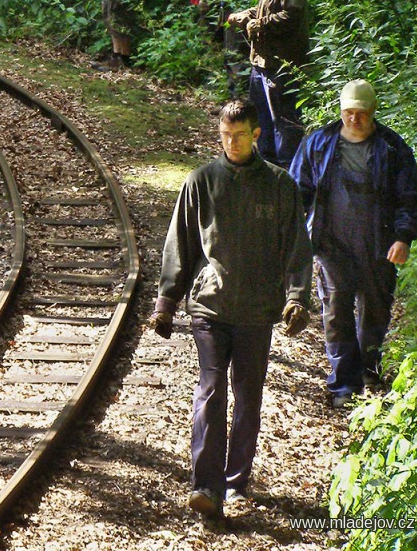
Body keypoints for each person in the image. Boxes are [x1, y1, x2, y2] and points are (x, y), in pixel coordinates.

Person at [150, 99, 312, 521]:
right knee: (210, 391)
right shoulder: (201, 182)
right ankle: (205, 485)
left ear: (256, 135)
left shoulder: (280, 186)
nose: (231, 142)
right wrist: (166, 302)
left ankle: (236, 482)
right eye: (225, 135)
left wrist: (297, 297)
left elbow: (297, 247)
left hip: (259, 309)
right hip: (211, 306)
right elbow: (181, 244)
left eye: (239, 135)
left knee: (248, 397)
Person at [289, 80, 417, 408]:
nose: (354, 119)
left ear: (372, 112)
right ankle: (342, 384)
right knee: (336, 311)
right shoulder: (319, 144)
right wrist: (292, 232)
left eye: (361, 113)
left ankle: (367, 373)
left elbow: (411, 197)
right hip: (331, 244)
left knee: (374, 312)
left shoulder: (392, 148)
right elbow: (296, 191)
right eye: (349, 113)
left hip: (378, 244)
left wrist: (403, 237)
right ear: (341, 111)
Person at [228, 0, 309, 169]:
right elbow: (266, 10)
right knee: (261, 123)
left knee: (284, 125)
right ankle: (264, 171)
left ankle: (288, 178)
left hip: (281, 66)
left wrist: (257, 25)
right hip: (261, 63)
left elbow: (291, 16)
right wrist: (245, 15)